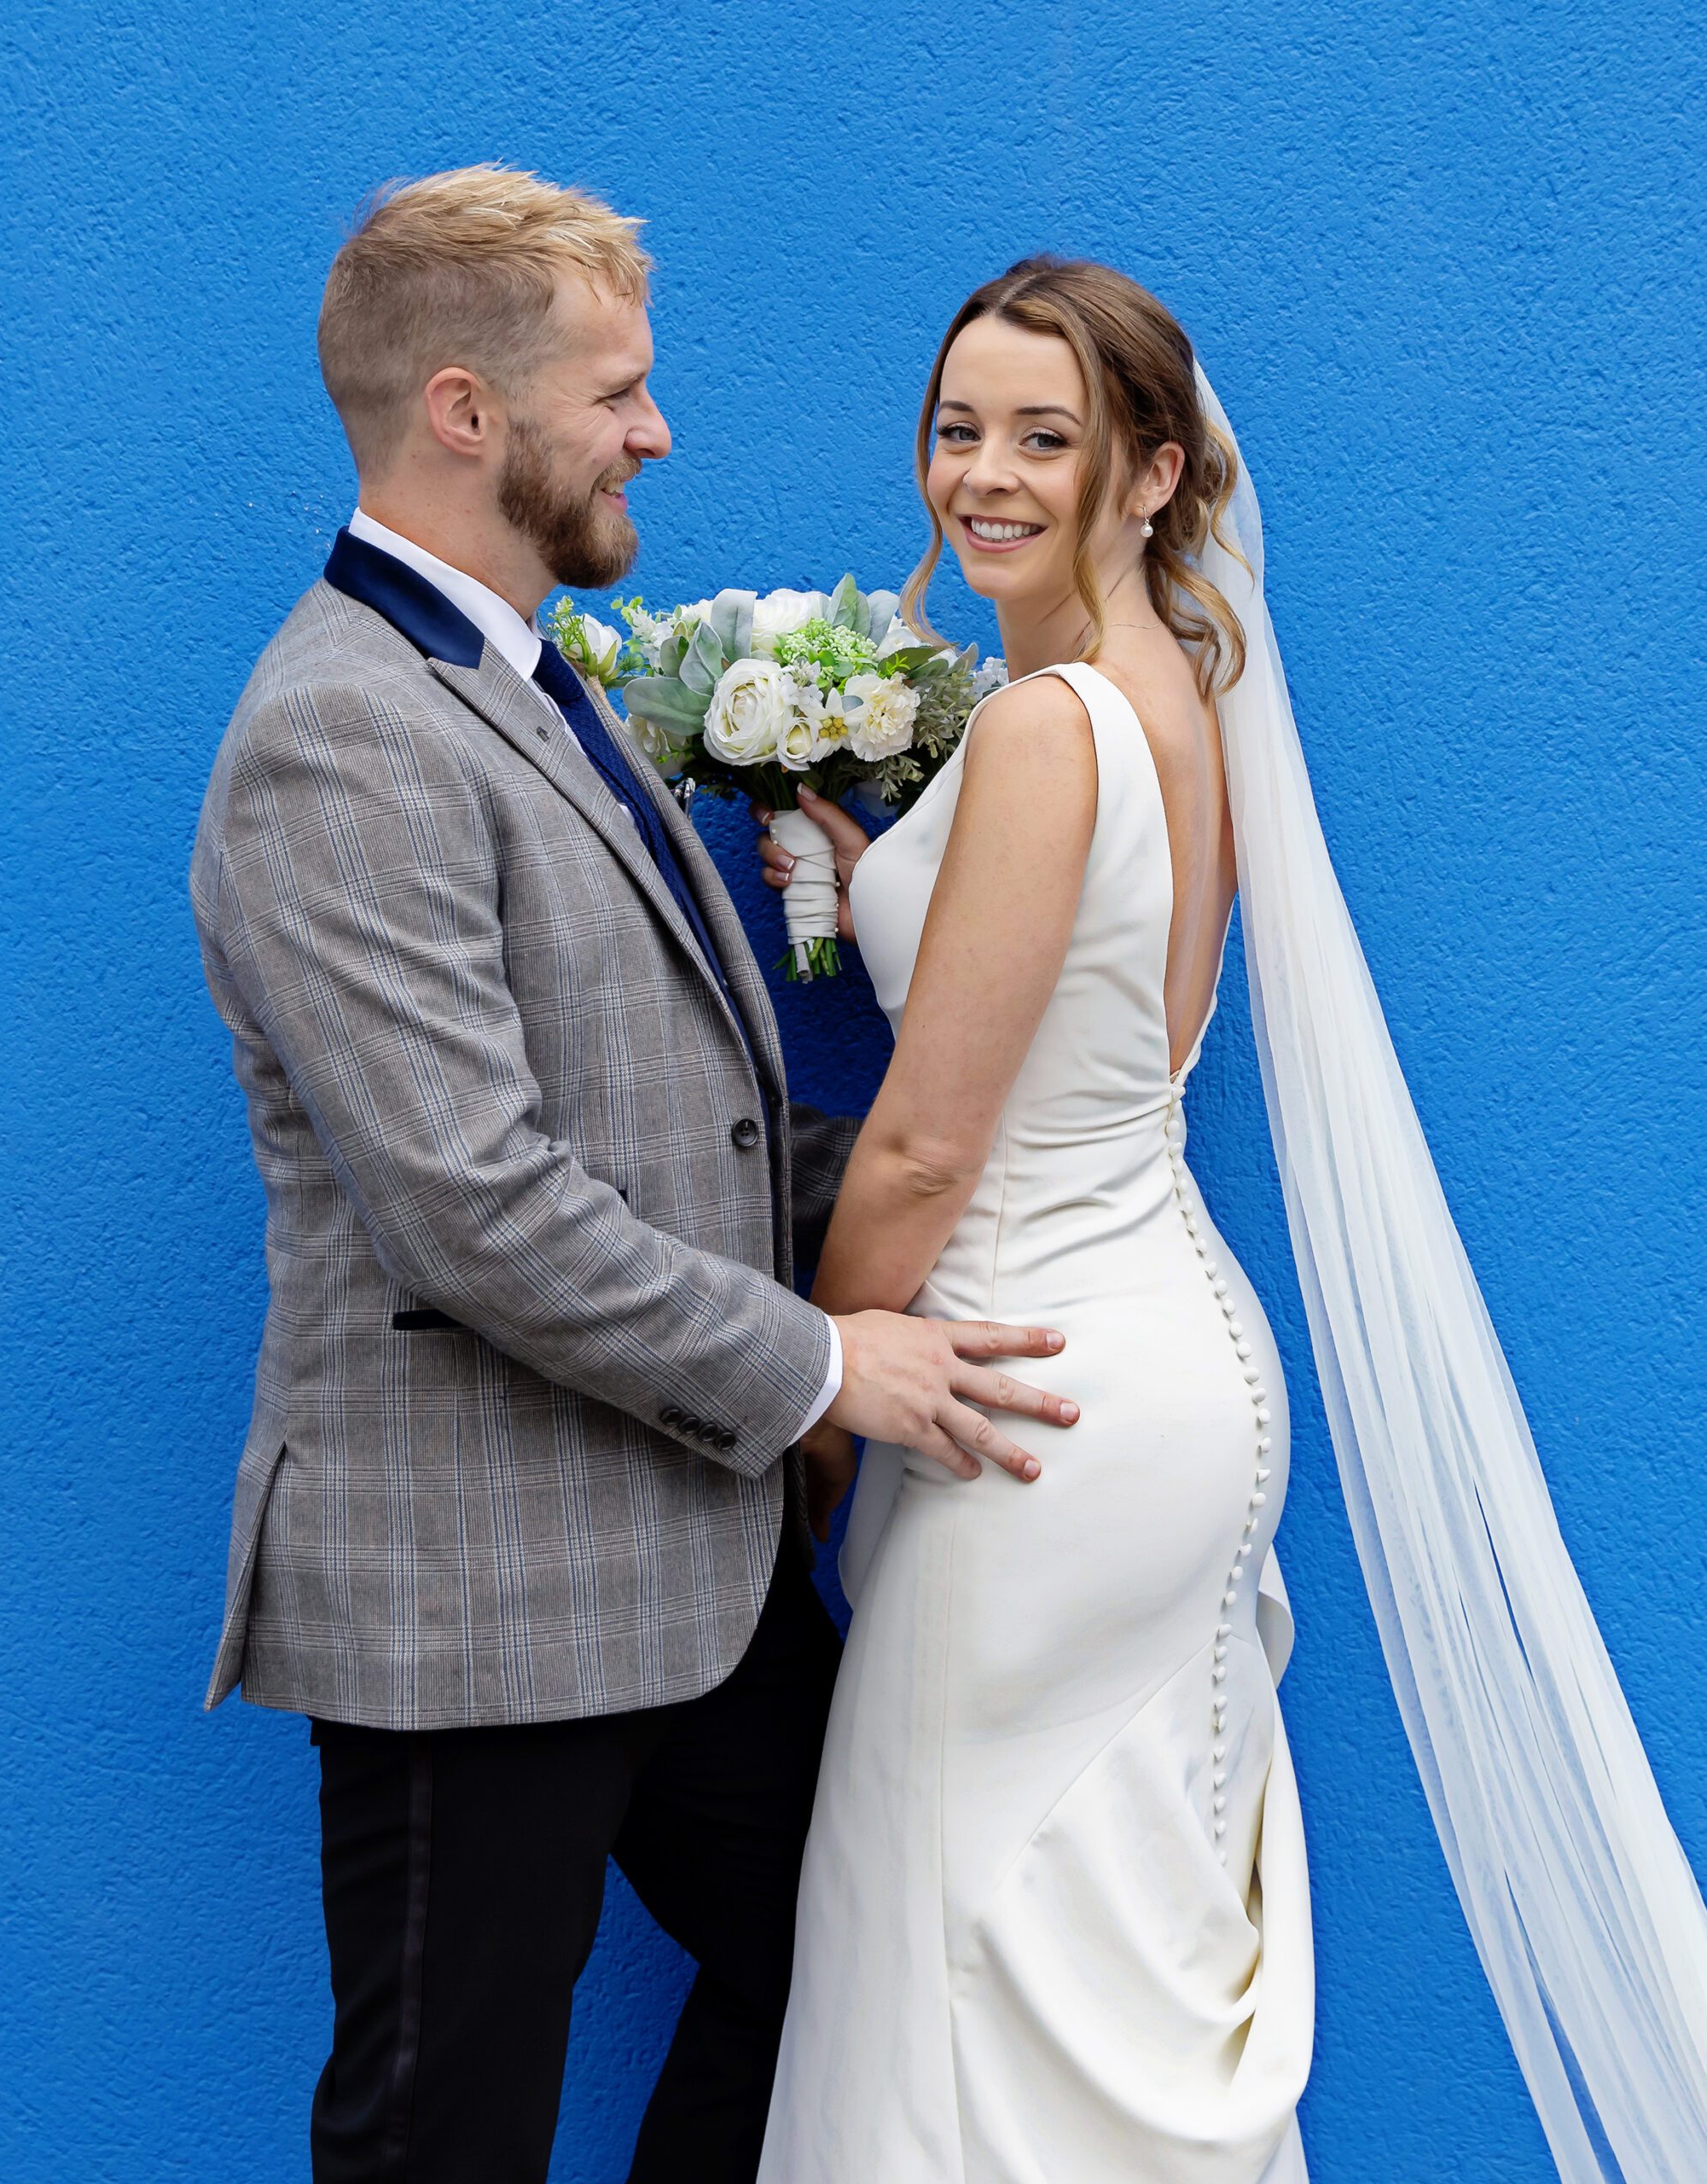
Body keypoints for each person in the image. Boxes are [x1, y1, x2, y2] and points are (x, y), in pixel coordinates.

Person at [753, 258, 1707, 2182]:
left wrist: (829, 1405)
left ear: (1151, 470)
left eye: (1045, 435)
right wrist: (878, 873)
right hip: (1164, 1363)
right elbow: (1092, 1010)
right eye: (957, 430)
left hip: (1020, 1391)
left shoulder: (1037, 735)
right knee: (1099, 1961)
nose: (984, 475)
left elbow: (932, 1150)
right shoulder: (1171, 700)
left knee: (946, 1951)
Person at [189, 170, 1075, 2184]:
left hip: (693, 1569)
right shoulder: (333, 734)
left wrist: (1019, 1210)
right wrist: (830, 1368)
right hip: (475, 1597)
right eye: (622, 389)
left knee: (856, 1968)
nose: (657, 429)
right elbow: (472, 1201)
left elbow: (693, 1126)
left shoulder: (539, 676)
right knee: (443, 2131)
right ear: (466, 414)